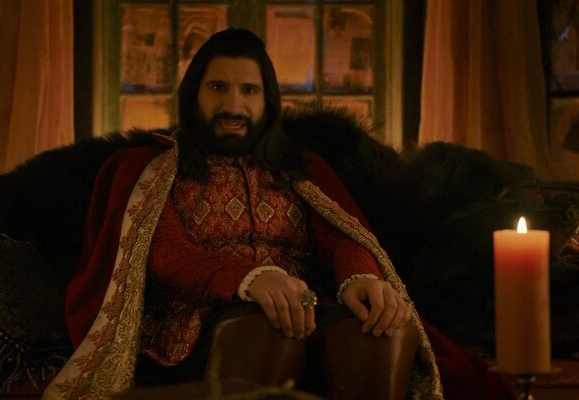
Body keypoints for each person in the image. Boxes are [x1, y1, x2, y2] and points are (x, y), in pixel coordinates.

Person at [42, 28, 512, 400]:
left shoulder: (300, 170)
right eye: (218, 88)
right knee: (266, 328)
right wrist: (249, 279)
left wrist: (361, 278)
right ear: (194, 96)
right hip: (197, 327)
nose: (234, 105)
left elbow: (340, 237)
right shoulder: (154, 167)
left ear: (267, 101)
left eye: (249, 90)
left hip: (309, 312)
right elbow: (163, 254)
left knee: (381, 333)